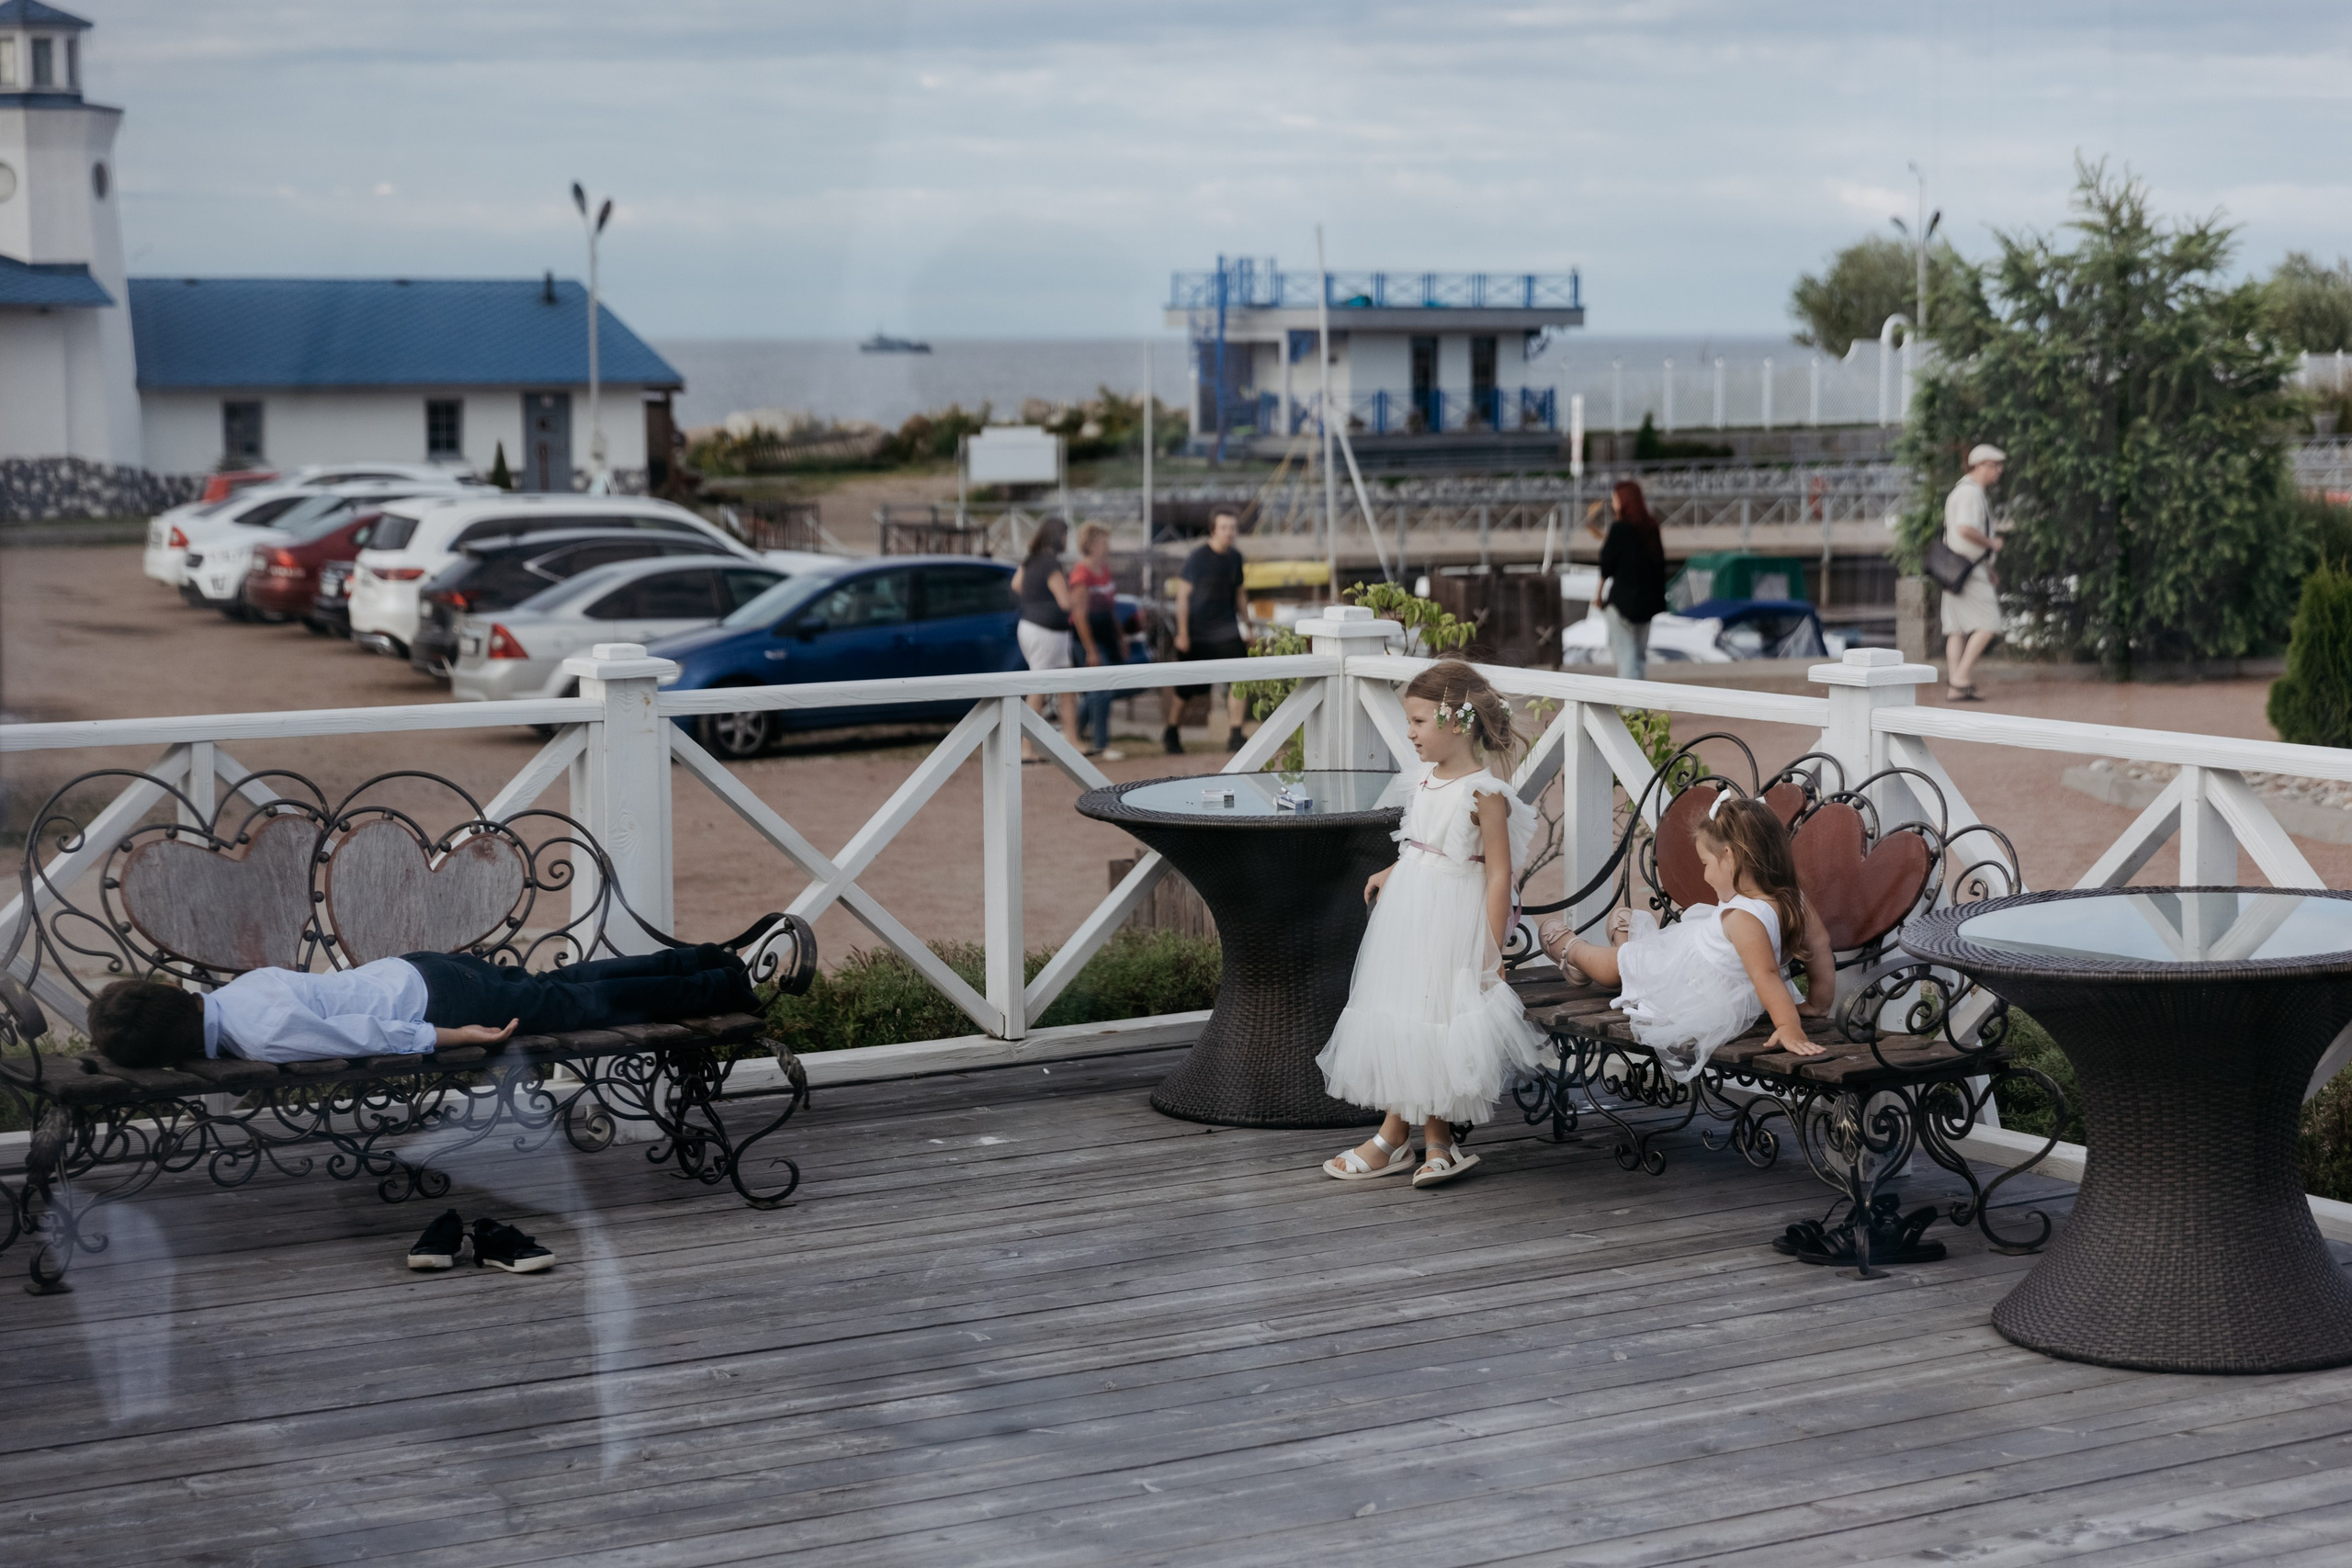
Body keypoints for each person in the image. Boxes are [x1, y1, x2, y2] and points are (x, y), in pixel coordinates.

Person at [1316, 660, 1549, 1189]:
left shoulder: (1485, 793)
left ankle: (1407, 1137)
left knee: (1437, 1019)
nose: (1410, 732)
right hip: (1410, 913)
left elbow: (1496, 877)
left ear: (1456, 722)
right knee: (1406, 1013)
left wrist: (1491, 955)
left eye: (1419, 721)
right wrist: (1392, 868)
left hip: (1453, 920)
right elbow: (1426, 843)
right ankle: (1421, 1138)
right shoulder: (1422, 778)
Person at [1536, 795, 1835, 1083]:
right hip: (1681, 969)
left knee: (1623, 968)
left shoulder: (1744, 918)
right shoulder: (1794, 900)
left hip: (1702, 984)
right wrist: (1818, 1003)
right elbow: (1820, 947)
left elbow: (1767, 974)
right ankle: (1573, 951)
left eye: (1705, 863)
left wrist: (1788, 1026)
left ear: (1729, 858)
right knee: (1618, 967)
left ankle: (1605, 943)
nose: (1705, 876)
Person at [83, 943, 761, 1068]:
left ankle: (720, 987)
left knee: (587, 1004)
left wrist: (452, 1036)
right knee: (570, 986)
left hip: (439, 998)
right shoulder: (234, 997)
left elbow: (364, 1037)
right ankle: (703, 961)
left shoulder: (258, 1035)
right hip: (417, 968)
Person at [1160, 509, 1251, 754]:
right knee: (1187, 689)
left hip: (1228, 631)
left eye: (1232, 528)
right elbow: (1182, 597)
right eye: (1224, 528)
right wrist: (1182, 634)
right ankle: (1171, 731)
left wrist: (1248, 627)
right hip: (1197, 632)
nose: (1229, 532)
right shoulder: (1197, 558)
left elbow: (1240, 594)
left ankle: (1236, 734)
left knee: (1240, 681)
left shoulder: (1236, 558)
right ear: (1213, 530)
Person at [1014, 517, 1085, 761]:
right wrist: (1080, 598)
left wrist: (1034, 598)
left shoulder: (1030, 559)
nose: (1067, 540)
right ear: (1057, 536)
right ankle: (1026, 748)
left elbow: (1016, 584)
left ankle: (1073, 741)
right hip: (1048, 632)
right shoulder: (1050, 563)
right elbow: (1065, 602)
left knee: (1064, 687)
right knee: (1040, 688)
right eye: (1065, 535)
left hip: (1029, 626)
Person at [1941, 444, 2007, 703]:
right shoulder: (1971, 494)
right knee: (1990, 623)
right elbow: (1966, 529)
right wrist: (1992, 545)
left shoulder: (1962, 491)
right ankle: (1960, 677)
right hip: (1968, 569)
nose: (1999, 471)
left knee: (1955, 628)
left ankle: (1956, 687)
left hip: (1955, 568)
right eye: (1995, 466)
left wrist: (1989, 565)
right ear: (1980, 466)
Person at [1593, 479, 1668, 681]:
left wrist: (1598, 595)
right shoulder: (1651, 527)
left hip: (1622, 604)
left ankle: (1630, 710)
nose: (1613, 503)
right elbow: (1660, 564)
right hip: (1647, 605)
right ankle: (1640, 707)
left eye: (1615, 499)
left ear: (1623, 501)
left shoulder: (1620, 529)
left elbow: (1606, 565)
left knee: (1625, 657)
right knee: (1639, 657)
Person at [1068, 520, 1125, 761]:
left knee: (1101, 691)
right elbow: (1079, 616)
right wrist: (1091, 650)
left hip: (1106, 636)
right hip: (1087, 640)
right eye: (1103, 541)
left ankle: (1071, 732)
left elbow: (1111, 609)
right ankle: (1101, 744)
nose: (1107, 546)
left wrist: (1120, 637)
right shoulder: (1081, 574)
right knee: (1099, 692)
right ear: (1090, 545)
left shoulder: (1105, 570)